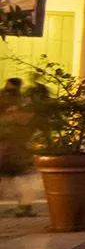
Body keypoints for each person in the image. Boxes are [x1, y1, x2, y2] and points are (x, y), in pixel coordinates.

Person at [0, 78, 31, 216]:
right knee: (17, 176)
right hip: (10, 144)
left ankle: (25, 205)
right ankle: (24, 205)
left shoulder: (21, 100)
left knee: (18, 176)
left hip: (13, 145)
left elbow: (26, 119)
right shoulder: (20, 99)